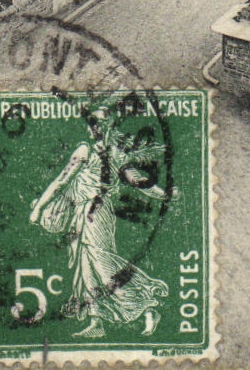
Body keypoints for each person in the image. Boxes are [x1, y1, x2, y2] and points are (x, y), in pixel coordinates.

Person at [29, 110, 169, 338]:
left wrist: (164, 194)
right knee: (86, 268)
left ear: (111, 127)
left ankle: (146, 307)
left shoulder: (117, 155)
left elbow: (138, 181)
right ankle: (97, 322)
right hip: (81, 213)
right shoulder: (85, 151)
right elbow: (62, 181)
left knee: (102, 264)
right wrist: (38, 208)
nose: (98, 128)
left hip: (98, 213)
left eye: (103, 123)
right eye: (94, 124)